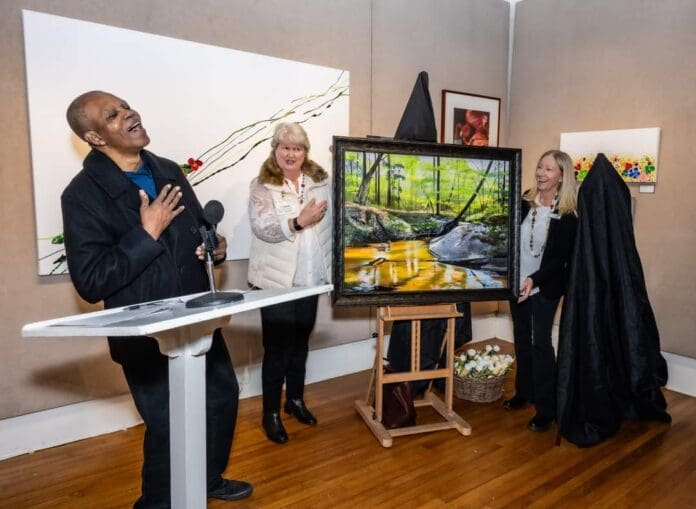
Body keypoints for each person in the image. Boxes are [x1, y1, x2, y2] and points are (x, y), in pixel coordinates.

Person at [61, 91, 252, 507]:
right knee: (167, 425)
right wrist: (145, 233)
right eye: (113, 115)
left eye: (126, 105)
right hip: (145, 334)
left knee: (221, 398)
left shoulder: (166, 169)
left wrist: (213, 244)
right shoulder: (81, 195)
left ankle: (206, 479)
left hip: (196, 318)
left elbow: (198, 227)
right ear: (95, 137)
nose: (129, 113)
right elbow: (91, 281)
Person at [247, 122, 331, 444]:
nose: (291, 153)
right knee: (277, 350)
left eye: (297, 148)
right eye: (285, 147)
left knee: (300, 344)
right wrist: (298, 221)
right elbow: (262, 227)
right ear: (275, 150)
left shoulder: (319, 182)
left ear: (305, 152)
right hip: (276, 283)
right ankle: (270, 413)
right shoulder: (262, 185)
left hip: (310, 279)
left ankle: (295, 400)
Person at [503, 149, 578, 432]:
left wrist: (533, 280)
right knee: (521, 338)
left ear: (561, 176)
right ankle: (524, 392)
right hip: (516, 283)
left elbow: (560, 259)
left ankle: (546, 408)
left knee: (541, 342)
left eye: (548, 170)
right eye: (539, 167)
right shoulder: (525, 201)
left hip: (544, 285)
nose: (541, 173)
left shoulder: (568, 213)